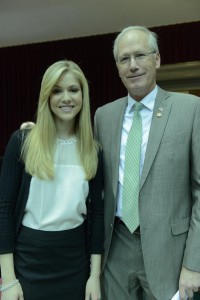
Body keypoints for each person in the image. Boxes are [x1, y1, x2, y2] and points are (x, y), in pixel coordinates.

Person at [94, 26, 200, 300]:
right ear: (117, 67)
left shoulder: (190, 109)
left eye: (140, 55)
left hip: (171, 254)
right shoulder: (103, 117)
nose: (133, 66)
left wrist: (194, 263)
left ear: (157, 59)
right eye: (124, 59)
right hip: (115, 248)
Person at [0, 60, 104, 300]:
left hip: (75, 264)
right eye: (57, 91)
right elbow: (4, 210)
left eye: (73, 90)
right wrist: (8, 280)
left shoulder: (93, 150)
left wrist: (94, 276)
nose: (66, 98)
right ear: (46, 96)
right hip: (27, 263)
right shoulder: (22, 141)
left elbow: (97, 215)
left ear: (83, 95)